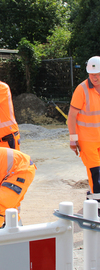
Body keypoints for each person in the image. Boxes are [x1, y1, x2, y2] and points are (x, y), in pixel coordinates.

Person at [68, 56, 100, 214]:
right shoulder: (82, 89)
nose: (95, 77)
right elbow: (71, 116)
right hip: (87, 140)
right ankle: (98, 207)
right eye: (92, 74)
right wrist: (73, 140)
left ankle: (93, 198)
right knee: (96, 173)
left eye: (98, 73)